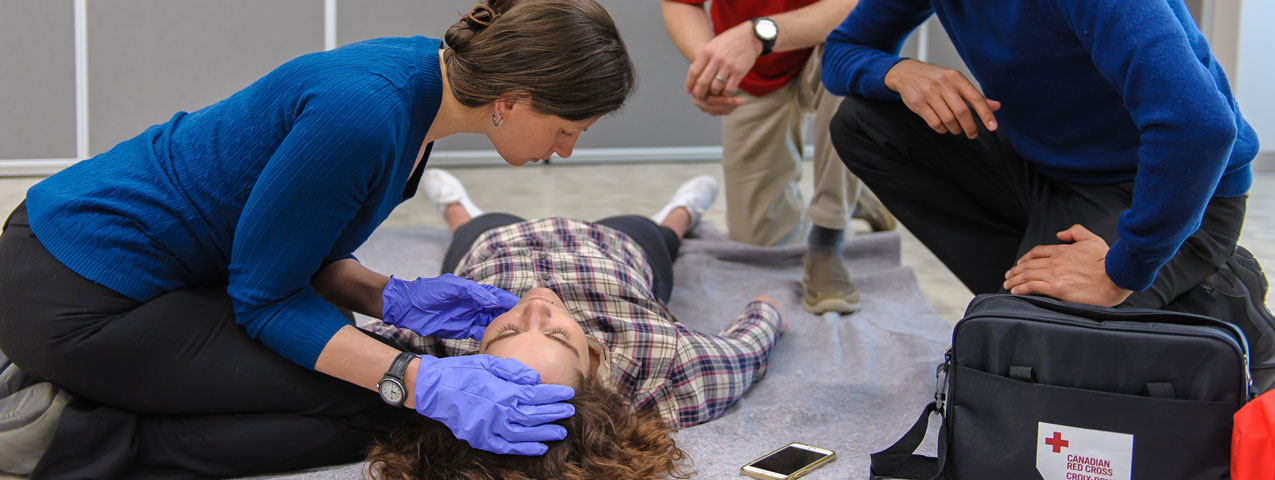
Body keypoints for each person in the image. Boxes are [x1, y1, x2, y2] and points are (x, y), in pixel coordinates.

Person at [0, 0, 637, 476]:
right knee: (378, 403)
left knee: (341, 346)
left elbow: (288, 241)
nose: (566, 150)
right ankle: (64, 439)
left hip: (120, 270)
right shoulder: (367, 114)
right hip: (75, 296)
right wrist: (417, 379)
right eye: (567, 127)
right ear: (513, 98)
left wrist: (390, 296)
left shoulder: (420, 88)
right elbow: (265, 298)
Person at [822, 0, 1275, 389]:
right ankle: (1035, 301)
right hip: (1047, 171)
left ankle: (1219, 302)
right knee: (862, 124)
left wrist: (1121, 271)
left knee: (1031, 357)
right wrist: (899, 72)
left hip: (1171, 189)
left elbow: (1200, 126)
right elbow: (840, 52)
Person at [359, 169, 787, 478]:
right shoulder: (666, 362)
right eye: (558, 335)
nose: (536, 307)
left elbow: (353, 348)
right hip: (614, 249)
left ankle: (456, 205)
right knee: (658, 232)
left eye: (506, 331)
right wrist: (768, 311)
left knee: (472, 227)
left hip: (497, 246)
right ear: (593, 377)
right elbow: (746, 350)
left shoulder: (442, 351)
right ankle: (682, 211)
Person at [660, 0, 897, 316]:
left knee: (856, 56)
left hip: (828, 42)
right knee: (763, 245)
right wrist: (713, 66)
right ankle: (854, 195)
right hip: (754, 67)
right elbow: (680, 3)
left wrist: (758, 35)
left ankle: (829, 236)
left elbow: (861, 4)